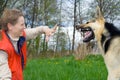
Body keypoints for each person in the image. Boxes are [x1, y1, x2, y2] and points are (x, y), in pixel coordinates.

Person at [0, 9, 57, 80]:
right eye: (22, 24)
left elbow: (36, 31)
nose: (24, 27)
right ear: (10, 26)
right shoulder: (2, 49)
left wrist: (45, 29)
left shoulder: (20, 35)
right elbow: (4, 76)